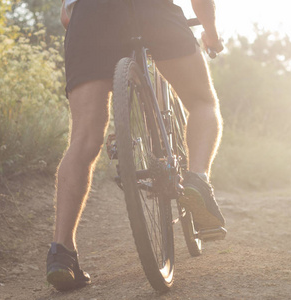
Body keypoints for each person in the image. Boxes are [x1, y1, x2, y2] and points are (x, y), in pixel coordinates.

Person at [46, 0, 226, 291]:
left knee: (83, 139)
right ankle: (197, 181)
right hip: (151, 10)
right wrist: (211, 33)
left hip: (89, 17)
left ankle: (61, 252)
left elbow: (67, 17)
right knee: (202, 102)